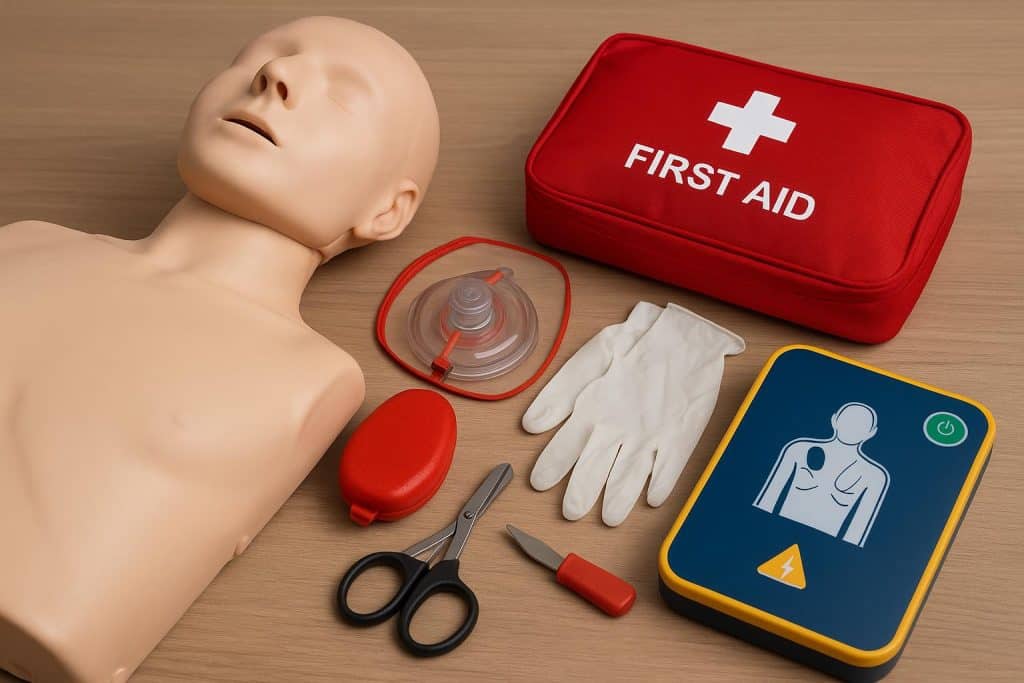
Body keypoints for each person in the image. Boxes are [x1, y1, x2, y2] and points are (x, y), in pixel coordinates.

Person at [0, 16, 439, 683]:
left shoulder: (312, 378)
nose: (275, 75)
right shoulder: (23, 242)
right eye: (259, 56)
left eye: (343, 94)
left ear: (387, 211)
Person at [753, 402, 890, 548]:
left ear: (871, 433)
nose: (852, 429)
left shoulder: (875, 476)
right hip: (771, 534)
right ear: (834, 420)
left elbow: (857, 531)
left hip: (824, 549)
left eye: (860, 426)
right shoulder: (798, 449)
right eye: (848, 421)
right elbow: (767, 500)